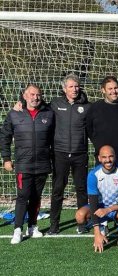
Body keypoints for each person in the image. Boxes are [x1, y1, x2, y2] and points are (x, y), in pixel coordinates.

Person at [0, 84, 54, 244]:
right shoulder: (14, 114)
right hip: (23, 164)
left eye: (38, 94)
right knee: (23, 197)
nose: (35, 97)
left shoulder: (49, 114)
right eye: (32, 94)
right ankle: (18, 229)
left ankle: (33, 226)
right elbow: (5, 137)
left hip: (43, 163)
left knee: (36, 197)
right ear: (24, 96)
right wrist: (6, 158)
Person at [48, 74, 91, 235]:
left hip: (80, 154)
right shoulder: (55, 104)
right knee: (58, 189)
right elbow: (36, 105)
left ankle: (82, 223)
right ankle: (54, 224)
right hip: (60, 153)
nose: (74, 89)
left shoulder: (87, 106)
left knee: (81, 189)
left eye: (77, 86)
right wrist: (21, 103)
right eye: (71, 86)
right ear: (64, 88)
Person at [75, 145, 118, 253]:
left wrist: (108, 210)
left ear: (115, 157)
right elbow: (93, 204)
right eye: (104, 157)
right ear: (99, 158)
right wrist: (96, 233)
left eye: (111, 156)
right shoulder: (93, 174)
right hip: (101, 207)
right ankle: (102, 226)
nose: (108, 160)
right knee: (79, 216)